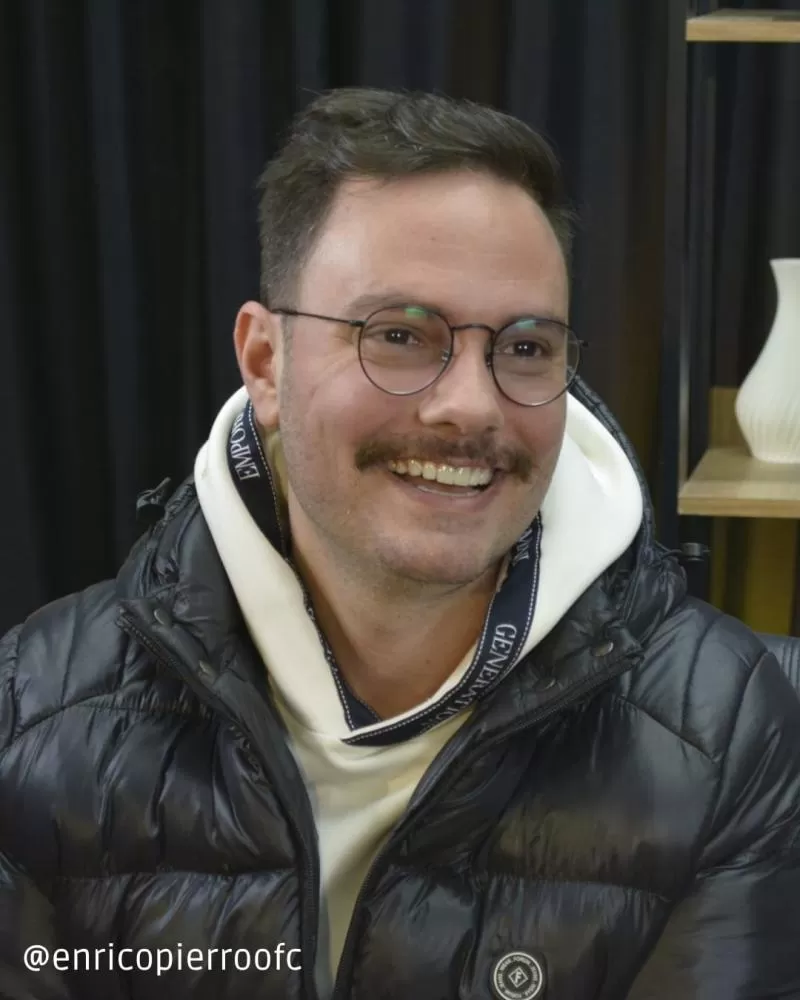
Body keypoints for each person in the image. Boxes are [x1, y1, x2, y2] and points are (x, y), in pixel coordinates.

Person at [1, 87, 799, 1000]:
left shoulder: (729, 730)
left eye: (526, 347)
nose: (472, 405)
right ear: (266, 363)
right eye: (399, 336)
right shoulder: (32, 714)